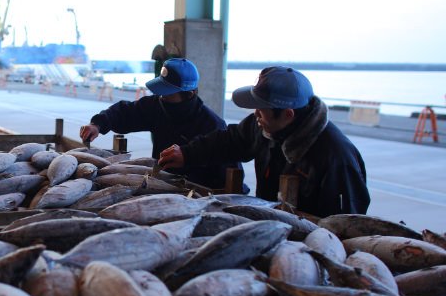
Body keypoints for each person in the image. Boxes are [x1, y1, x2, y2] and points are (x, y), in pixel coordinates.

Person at [159, 66, 371, 217]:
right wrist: (187, 154)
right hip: (267, 223)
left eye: (261, 109)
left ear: (287, 115)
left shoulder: (336, 158)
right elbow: (230, 141)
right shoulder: (264, 125)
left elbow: (347, 221)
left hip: (307, 245)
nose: (255, 115)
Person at [79, 58, 243, 190]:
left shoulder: (212, 125)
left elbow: (227, 173)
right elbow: (126, 112)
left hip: (197, 192)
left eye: (168, 93)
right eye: (160, 92)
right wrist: (98, 124)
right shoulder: (157, 106)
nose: (162, 98)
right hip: (158, 184)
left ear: (189, 94)